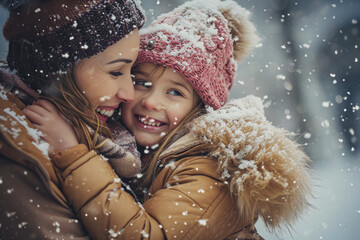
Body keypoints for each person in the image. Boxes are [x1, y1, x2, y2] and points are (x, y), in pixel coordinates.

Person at [28, 0, 313, 239]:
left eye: (175, 92)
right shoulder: (138, 152)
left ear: (200, 109)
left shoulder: (209, 170)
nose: (151, 102)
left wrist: (73, 153)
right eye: (142, 83)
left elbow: (143, 234)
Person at [0, 0, 145, 238]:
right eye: (116, 71)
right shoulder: (17, 152)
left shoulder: (104, 130)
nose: (129, 94)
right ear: (58, 68)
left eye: (133, 72)